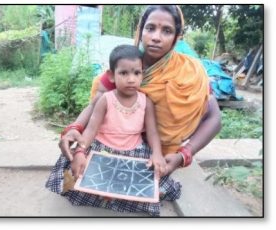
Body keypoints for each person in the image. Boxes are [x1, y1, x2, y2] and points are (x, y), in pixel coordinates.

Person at [59, 5, 221, 176]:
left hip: (160, 156)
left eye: (167, 31)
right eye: (150, 28)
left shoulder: (190, 71)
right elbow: (95, 105)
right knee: (76, 172)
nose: (156, 37)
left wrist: (183, 155)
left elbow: (214, 118)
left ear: (176, 37)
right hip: (112, 143)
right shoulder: (126, 64)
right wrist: (74, 128)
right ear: (140, 30)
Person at [46, 44, 181, 216]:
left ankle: (119, 195)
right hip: (102, 148)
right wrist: (80, 151)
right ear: (111, 75)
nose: (131, 79)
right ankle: (117, 196)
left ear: (142, 75)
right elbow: (91, 130)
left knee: (155, 176)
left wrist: (157, 154)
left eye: (136, 73)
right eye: (124, 73)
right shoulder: (105, 100)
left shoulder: (146, 101)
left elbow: (153, 132)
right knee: (73, 171)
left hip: (133, 151)